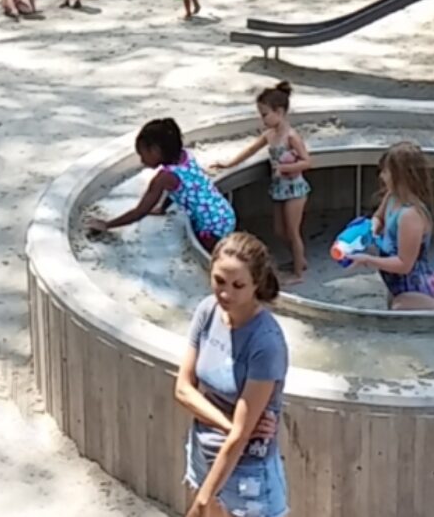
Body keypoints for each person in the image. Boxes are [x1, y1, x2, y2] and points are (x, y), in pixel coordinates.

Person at [177, 232, 290, 517]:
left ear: (256, 285)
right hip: (203, 452)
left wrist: (204, 498)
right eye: (219, 281)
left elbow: (241, 437)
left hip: (247, 471)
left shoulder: (266, 342)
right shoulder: (207, 310)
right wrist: (230, 426)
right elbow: (182, 389)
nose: (225, 294)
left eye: (238, 285)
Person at [211, 82, 312, 282]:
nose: (262, 119)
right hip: (278, 188)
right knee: (279, 230)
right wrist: (228, 164)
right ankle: (298, 259)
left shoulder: (291, 136)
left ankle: (298, 273)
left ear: (280, 111)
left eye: (265, 114)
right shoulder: (270, 135)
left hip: (294, 189)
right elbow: (250, 150)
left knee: (292, 231)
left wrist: (286, 168)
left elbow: (307, 162)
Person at [87, 118, 235, 252]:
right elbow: (180, 189)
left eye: (142, 154)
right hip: (225, 214)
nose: (141, 160)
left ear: (155, 151)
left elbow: (140, 211)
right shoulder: (185, 156)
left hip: (212, 230)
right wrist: (162, 208)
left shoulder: (163, 177)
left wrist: (107, 225)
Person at [345, 142, 434, 310]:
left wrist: (368, 259)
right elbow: (379, 217)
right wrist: (369, 230)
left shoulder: (410, 215)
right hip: (396, 287)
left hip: (416, 291)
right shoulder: (392, 197)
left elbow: (404, 264)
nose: (382, 176)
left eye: (386, 171)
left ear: (400, 175)